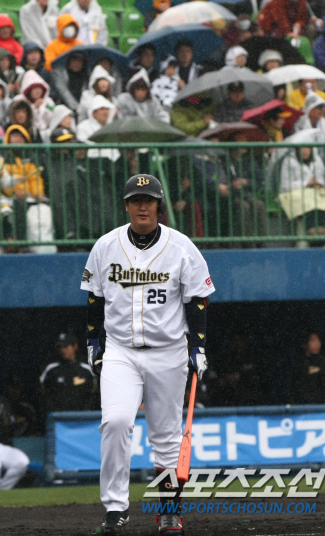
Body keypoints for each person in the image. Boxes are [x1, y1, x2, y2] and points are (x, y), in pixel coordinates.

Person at [80, 174, 215, 534]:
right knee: (116, 422)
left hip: (168, 351)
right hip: (121, 350)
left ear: (158, 205)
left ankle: (169, 510)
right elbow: (94, 298)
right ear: (126, 205)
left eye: (149, 200)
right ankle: (115, 508)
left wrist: (198, 345)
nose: (143, 206)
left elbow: (197, 299)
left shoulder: (181, 246)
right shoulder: (106, 246)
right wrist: (93, 342)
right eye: (136, 200)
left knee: (167, 438)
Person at [39, 333, 94, 414]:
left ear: (75, 346)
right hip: (58, 417)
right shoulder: (51, 369)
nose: (63, 350)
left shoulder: (86, 370)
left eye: (66, 346)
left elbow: (93, 394)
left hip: (82, 417)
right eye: (60, 347)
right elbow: (43, 392)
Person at [290, 332, 325, 404]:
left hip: (322, 407)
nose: (316, 344)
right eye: (313, 341)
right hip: (302, 407)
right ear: (304, 344)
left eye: (318, 340)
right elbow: (293, 388)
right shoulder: (298, 364)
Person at [293, 93, 325, 158]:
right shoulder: (300, 123)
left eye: (323, 107)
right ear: (310, 108)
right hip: (306, 159)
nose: (322, 110)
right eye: (319, 107)